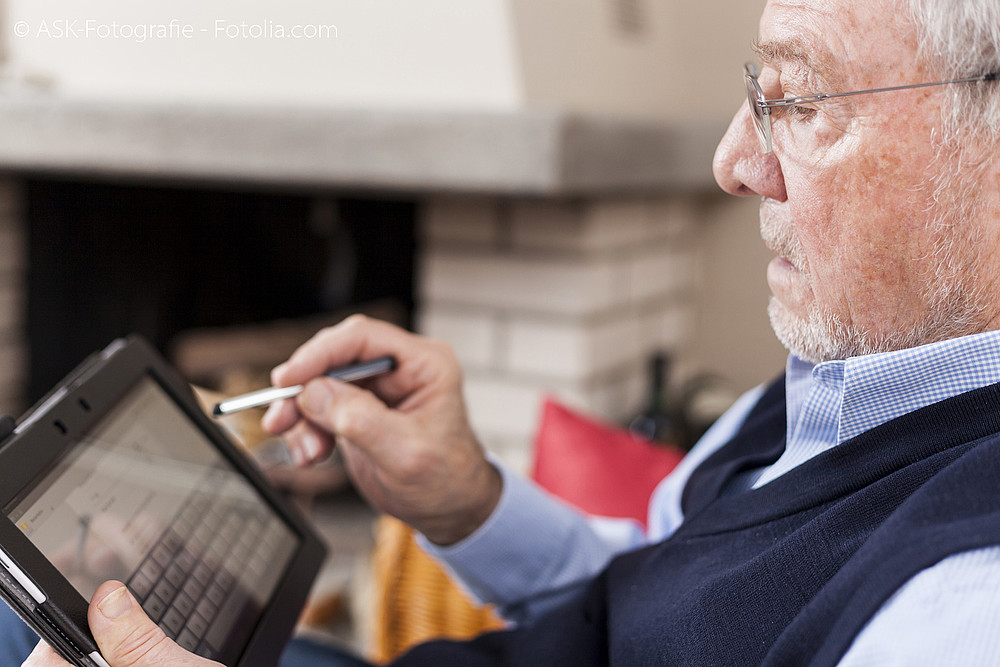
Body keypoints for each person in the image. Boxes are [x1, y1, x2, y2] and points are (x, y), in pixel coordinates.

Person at [17, 0, 1000, 663]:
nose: (734, 160)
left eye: (798, 99)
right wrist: (465, 498)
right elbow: (647, 588)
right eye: (755, 92)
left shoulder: (963, 602)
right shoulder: (834, 383)